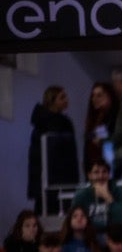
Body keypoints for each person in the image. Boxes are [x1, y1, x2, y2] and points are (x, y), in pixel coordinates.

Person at [29, 85, 77, 213]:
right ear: (52, 100)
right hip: (54, 180)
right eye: (62, 97)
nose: (66, 100)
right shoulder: (52, 124)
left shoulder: (47, 123)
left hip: (54, 179)